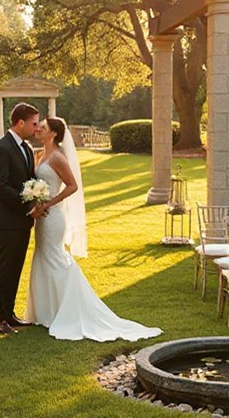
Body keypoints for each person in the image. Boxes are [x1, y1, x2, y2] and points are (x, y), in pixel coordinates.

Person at [25, 116, 162, 342]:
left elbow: (72, 186)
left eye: (43, 126)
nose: (38, 128)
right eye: (38, 125)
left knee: (56, 257)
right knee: (43, 256)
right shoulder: (40, 154)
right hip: (41, 217)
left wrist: (49, 203)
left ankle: (71, 308)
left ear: (54, 134)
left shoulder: (58, 157)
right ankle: (45, 312)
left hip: (53, 216)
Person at [0, 103, 46, 334]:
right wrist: (28, 206)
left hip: (22, 221)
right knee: (2, 269)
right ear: (20, 123)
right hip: (5, 221)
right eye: (34, 123)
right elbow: (1, 187)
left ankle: (9, 314)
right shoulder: (1, 149)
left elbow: (29, 180)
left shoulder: (27, 147)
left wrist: (37, 199)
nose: (37, 127)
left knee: (15, 268)